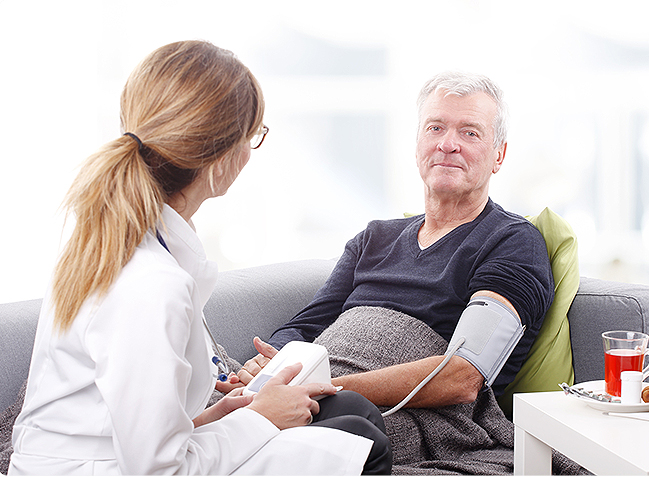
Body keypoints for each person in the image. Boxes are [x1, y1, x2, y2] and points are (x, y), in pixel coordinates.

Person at [8, 40, 391, 475]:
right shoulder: (151, 284)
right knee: (362, 443)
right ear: (220, 159)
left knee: (350, 409)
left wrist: (218, 417)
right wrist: (260, 418)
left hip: (118, 457)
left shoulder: (124, 243)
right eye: (253, 136)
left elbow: (128, 420)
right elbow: (158, 470)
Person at [238, 72, 554, 411]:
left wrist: (317, 389)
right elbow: (303, 329)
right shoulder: (374, 238)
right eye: (435, 128)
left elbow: (463, 375)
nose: (448, 144)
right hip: (312, 394)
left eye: (470, 132)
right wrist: (269, 367)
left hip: (401, 413)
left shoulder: (512, 242)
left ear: (498, 155)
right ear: (417, 146)